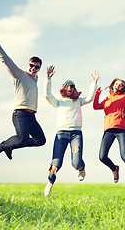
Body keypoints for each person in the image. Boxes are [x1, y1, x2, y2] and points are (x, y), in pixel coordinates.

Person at [0, 24, 46, 162]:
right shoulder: (19, 74)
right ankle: (0, 148)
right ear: (27, 64)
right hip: (20, 114)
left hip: (32, 117)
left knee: (40, 140)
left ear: (39, 69)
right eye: (31, 65)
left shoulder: (35, 79)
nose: (33, 68)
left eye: (37, 67)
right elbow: (4, 58)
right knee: (22, 138)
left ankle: (10, 147)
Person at [44, 66, 100, 196]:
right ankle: (50, 182)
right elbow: (47, 95)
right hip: (61, 135)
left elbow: (90, 97)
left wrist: (94, 82)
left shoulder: (78, 101)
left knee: (76, 163)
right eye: (68, 87)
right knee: (56, 163)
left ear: (74, 90)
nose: (70, 88)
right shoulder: (58, 102)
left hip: (76, 135)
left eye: (72, 87)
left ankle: (82, 168)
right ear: (64, 89)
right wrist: (48, 78)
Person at [93, 61, 125, 183]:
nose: (118, 85)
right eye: (117, 83)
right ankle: (114, 168)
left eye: (121, 85)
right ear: (113, 85)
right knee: (102, 157)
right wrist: (97, 94)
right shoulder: (107, 99)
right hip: (108, 130)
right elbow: (96, 106)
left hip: (121, 129)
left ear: (123, 88)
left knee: (124, 156)